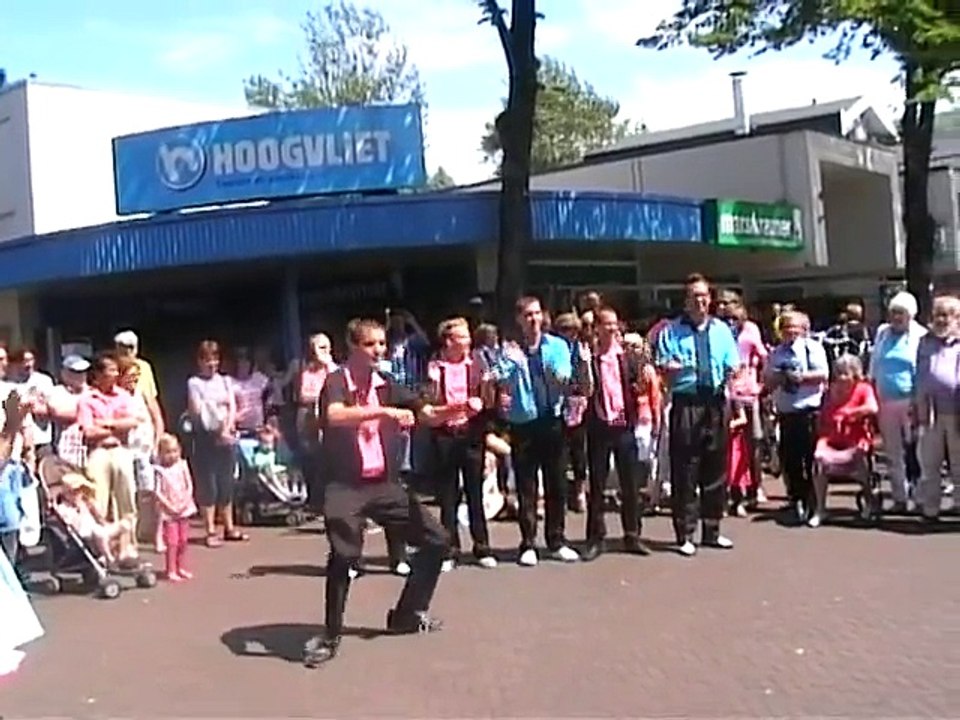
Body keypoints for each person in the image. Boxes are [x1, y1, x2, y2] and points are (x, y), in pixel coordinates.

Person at [302, 318, 450, 667]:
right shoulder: (336, 381)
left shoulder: (387, 383)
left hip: (383, 484)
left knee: (437, 541)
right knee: (345, 556)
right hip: (345, 485)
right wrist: (385, 412)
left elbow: (425, 413)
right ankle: (330, 635)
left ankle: (407, 614)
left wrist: (455, 411)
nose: (379, 351)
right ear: (353, 347)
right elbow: (335, 416)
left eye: (382, 344)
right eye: (371, 345)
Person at [495, 296, 584, 567]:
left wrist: (557, 377)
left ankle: (556, 540)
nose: (534, 320)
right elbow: (500, 380)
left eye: (537, 314)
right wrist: (506, 374)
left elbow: (566, 379)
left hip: (552, 420)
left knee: (557, 482)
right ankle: (528, 543)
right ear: (519, 320)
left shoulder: (556, 345)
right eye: (528, 315)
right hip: (524, 422)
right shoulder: (510, 350)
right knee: (527, 485)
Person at [656, 273, 739, 557]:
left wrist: (732, 373)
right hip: (687, 402)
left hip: (714, 402)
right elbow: (664, 365)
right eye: (695, 297)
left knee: (716, 466)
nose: (701, 301)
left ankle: (713, 529)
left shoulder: (722, 330)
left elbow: (732, 364)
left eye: (704, 296)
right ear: (686, 301)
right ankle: (685, 533)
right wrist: (672, 368)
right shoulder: (672, 330)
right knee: (685, 469)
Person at [425, 317, 495, 571]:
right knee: (448, 496)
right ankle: (449, 550)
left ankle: (482, 547)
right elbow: (430, 405)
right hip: (445, 435)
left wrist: (486, 390)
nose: (468, 341)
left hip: (471, 434)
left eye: (468, 336)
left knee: (475, 492)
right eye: (462, 337)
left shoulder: (477, 363)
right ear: (449, 340)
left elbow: (488, 400)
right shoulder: (436, 366)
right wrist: (453, 405)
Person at [581, 307, 652, 561]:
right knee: (598, 485)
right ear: (597, 328)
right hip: (599, 426)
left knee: (630, 484)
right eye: (607, 324)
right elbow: (583, 390)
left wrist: (641, 383)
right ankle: (595, 538)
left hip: (624, 425)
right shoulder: (590, 358)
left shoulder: (627, 358)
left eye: (615, 324)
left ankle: (632, 534)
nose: (612, 328)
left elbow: (638, 387)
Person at [765, 310, 829, 523]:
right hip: (786, 413)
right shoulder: (776, 353)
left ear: (804, 330)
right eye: (785, 328)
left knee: (810, 459)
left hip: (808, 412)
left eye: (794, 328)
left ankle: (814, 502)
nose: (790, 332)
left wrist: (800, 378)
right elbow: (768, 379)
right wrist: (778, 377)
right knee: (790, 460)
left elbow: (823, 375)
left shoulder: (813, 349)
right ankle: (796, 499)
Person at [76, 352, 140, 565]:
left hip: (121, 449)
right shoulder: (87, 399)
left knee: (127, 499)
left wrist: (106, 424)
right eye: (111, 371)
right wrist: (115, 425)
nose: (115, 374)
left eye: (116, 370)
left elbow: (132, 422)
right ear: (98, 375)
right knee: (98, 501)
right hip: (99, 452)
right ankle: (102, 551)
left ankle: (126, 548)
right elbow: (88, 432)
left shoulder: (124, 396)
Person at [869, 291, 926, 512]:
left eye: (900, 313)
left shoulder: (921, 335)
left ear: (910, 314)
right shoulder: (883, 333)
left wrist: (918, 401)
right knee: (893, 452)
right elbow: (874, 364)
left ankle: (920, 497)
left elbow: (923, 370)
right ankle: (899, 497)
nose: (896, 317)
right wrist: (872, 390)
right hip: (885, 399)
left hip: (910, 400)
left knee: (917, 451)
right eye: (893, 312)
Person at [186, 340, 247, 548]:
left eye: (215, 359)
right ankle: (210, 530)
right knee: (208, 484)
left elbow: (232, 405)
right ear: (200, 361)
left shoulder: (225, 381)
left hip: (226, 435)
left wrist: (227, 426)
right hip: (205, 438)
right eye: (207, 360)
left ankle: (229, 527)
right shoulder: (194, 383)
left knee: (226, 482)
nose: (212, 364)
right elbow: (196, 411)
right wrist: (214, 415)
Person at [810, 355, 878, 527]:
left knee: (861, 457)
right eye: (838, 373)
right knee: (819, 458)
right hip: (832, 436)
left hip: (855, 436)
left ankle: (869, 500)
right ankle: (820, 508)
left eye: (845, 373)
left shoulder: (864, 388)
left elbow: (872, 407)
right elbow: (822, 416)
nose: (841, 377)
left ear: (855, 374)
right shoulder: (829, 391)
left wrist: (851, 413)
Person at [716, 290, 769, 506]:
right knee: (726, 444)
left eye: (727, 304)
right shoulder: (717, 330)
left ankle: (756, 487)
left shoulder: (750, 330)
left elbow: (764, 357)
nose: (723, 308)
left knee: (753, 442)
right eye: (720, 304)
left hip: (748, 393)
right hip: (725, 392)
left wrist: (762, 385)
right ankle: (729, 488)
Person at [914, 295, 960, 522]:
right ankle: (930, 508)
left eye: (945, 315)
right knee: (929, 462)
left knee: (958, 462)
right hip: (930, 411)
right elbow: (919, 373)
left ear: (957, 318)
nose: (940, 320)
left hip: (957, 411)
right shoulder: (925, 342)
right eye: (937, 315)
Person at [54, 470, 134, 566]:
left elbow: (99, 519)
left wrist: (93, 508)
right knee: (99, 534)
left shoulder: (85, 503)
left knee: (125, 524)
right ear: (66, 494)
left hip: (96, 529)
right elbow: (70, 524)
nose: (78, 495)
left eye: (80, 491)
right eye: (74, 492)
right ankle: (109, 559)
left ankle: (122, 553)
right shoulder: (64, 508)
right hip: (85, 535)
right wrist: (78, 511)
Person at [553, 312, 589, 513]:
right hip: (559, 402)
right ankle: (562, 494)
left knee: (579, 450)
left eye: (574, 330)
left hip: (578, 401)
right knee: (560, 451)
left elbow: (586, 377)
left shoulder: (581, 349)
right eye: (565, 330)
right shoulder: (554, 349)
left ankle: (580, 490)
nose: (570, 334)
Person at [153, 434, 197, 582]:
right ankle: (171, 569)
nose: (172, 455)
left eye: (175, 451)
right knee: (172, 542)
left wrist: (186, 500)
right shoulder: (160, 471)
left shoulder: (182, 465)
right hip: (170, 510)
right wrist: (169, 506)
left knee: (184, 540)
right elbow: (157, 492)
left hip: (184, 506)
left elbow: (189, 485)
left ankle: (181, 567)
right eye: (168, 452)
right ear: (161, 454)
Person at [114, 330, 165, 446]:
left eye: (130, 348)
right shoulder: (110, 369)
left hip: (143, 433)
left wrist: (158, 439)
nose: (127, 351)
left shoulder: (143, 367)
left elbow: (153, 405)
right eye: (122, 347)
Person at [8, 347, 55, 458]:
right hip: (17, 442)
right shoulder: (9, 383)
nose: (28, 364)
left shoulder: (44, 381)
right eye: (24, 361)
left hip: (41, 439)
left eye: (30, 360)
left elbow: (50, 408)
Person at [47, 355, 90, 468]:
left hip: (89, 449)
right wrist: (87, 413)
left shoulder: (92, 392)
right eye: (75, 372)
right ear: (64, 373)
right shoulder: (57, 392)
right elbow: (59, 412)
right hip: (66, 449)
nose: (80, 376)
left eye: (83, 372)